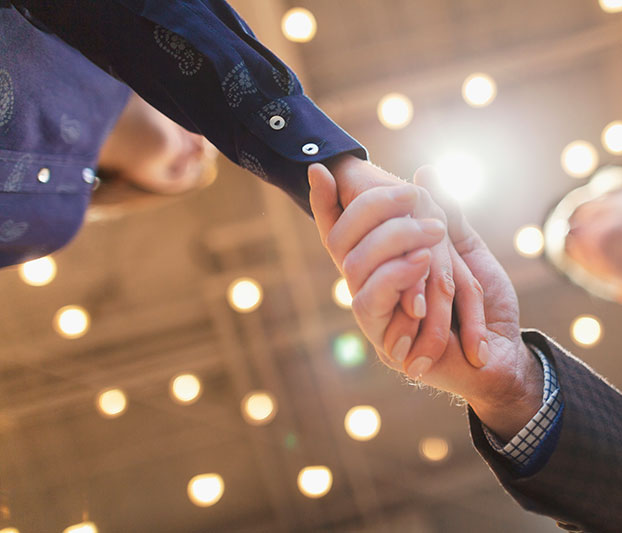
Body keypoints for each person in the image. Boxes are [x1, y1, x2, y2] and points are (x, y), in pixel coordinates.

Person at [306, 126, 622, 531]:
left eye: (580, 210)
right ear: (619, 293)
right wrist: (512, 388)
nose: (570, 237)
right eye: (573, 263)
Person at [0, 0, 489, 375]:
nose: (200, 153)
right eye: (204, 140)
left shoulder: (55, 222)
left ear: (139, 188)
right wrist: (330, 167)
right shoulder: (89, 46)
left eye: (190, 174)